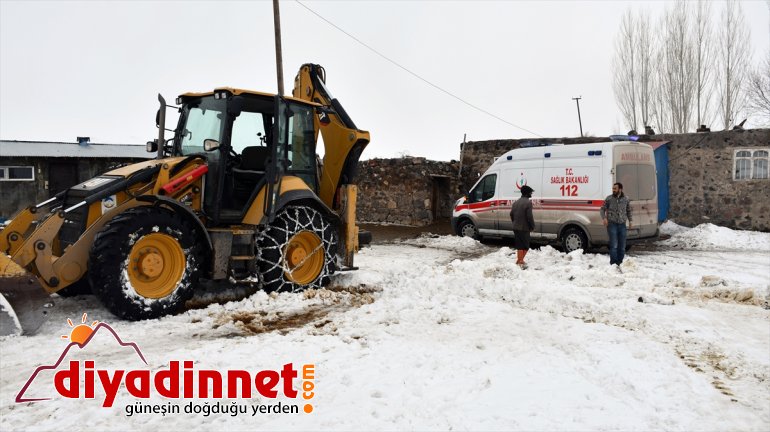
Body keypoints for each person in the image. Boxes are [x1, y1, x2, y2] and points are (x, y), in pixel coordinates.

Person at [600, 182, 633, 266]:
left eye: (615, 188)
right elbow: (602, 209)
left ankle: (620, 262)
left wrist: (631, 221)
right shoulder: (609, 199)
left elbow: (629, 210)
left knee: (622, 246)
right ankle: (613, 263)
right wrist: (604, 218)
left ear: (620, 189)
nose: (613, 190)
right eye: (613, 188)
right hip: (612, 224)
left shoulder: (626, 199)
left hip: (622, 225)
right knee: (614, 245)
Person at [509, 185, 535, 269]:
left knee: (520, 245)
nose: (531, 194)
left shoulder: (516, 202)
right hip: (524, 228)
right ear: (527, 193)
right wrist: (532, 226)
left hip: (516, 227)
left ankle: (520, 260)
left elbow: (511, 214)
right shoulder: (528, 202)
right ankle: (520, 261)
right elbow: (529, 216)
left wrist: (514, 222)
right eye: (531, 192)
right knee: (526, 246)